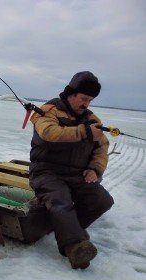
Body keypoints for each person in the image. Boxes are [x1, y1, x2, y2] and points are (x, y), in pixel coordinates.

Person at [29, 71, 114, 269]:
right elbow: (49, 133)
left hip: (75, 175)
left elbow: (102, 146)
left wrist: (95, 168)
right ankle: (75, 249)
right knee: (60, 201)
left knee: (102, 201)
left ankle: (67, 230)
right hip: (46, 171)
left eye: (90, 100)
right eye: (84, 98)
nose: (86, 104)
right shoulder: (48, 111)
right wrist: (84, 132)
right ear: (71, 94)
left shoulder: (92, 119)